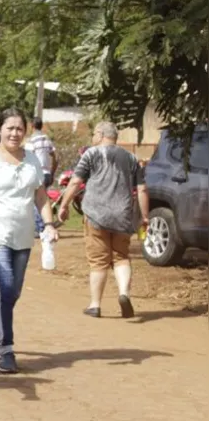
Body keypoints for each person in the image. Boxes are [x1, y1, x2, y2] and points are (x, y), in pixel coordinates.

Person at [0, 108, 59, 374]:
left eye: (19, 128)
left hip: (23, 236)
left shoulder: (31, 160)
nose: (15, 133)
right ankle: (5, 348)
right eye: (10, 128)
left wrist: (49, 225)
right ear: (0, 129)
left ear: (26, 131)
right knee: (5, 289)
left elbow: (40, 197)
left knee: (13, 292)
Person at [58, 121, 149, 319]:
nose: (92, 137)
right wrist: (144, 216)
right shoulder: (131, 158)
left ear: (100, 134)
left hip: (96, 216)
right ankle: (124, 293)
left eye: (94, 134)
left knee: (98, 261)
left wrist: (64, 205)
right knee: (121, 257)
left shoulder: (91, 154)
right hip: (122, 216)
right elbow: (142, 189)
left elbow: (75, 182)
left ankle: (95, 305)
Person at [24, 117, 58, 235]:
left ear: (32, 126)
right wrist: (52, 172)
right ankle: (44, 225)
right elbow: (55, 157)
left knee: (36, 200)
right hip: (47, 173)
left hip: (37, 173)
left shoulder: (31, 141)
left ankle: (39, 228)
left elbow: (27, 158)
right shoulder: (46, 139)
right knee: (43, 199)